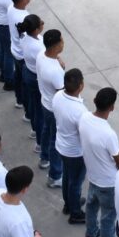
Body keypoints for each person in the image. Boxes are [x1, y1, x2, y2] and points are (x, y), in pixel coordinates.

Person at [78, 87, 119, 237]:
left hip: (93, 176)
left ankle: (90, 234)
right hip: (109, 183)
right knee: (108, 220)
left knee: (91, 205)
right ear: (112, 107)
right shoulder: (108, 134)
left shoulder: (84, 118)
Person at [52, 68, 88, 225]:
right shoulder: (80, 111)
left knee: (67, 176)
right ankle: (75, 213)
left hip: (62, 146)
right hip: (75, 152)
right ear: (81, 86)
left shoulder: (58, 96)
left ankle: (68, 204)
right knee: (75, 183)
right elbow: (85, 135)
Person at [36, 30, 65, 184]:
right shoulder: (55, 72)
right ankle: (55, 175)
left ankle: (44, 157)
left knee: (46, 130)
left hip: (45, 103)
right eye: (61, 40)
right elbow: (63, 93)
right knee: (55, 140)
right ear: (55, 45)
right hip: (54, 109)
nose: (63, 43)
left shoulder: (41, 55)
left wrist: (58, 59)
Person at [20, 15, 44, 145]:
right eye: (41, 23)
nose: (43, 24)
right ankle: (39, 142)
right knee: (39, 110)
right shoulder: (38, 47)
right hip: (36, 77)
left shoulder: (24, 37)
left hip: (28, 71)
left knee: (33, 102)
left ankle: (34, 127)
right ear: (35, 30)